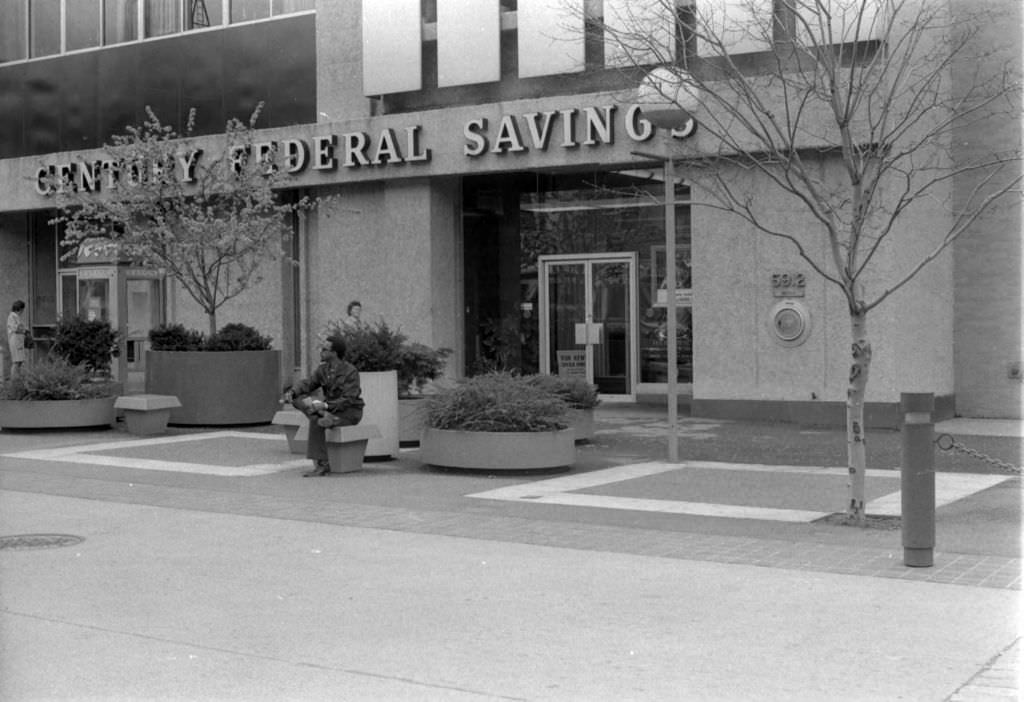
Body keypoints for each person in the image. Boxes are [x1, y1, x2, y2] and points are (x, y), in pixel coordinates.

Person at [284, 334, 365, 477]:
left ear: (334, 353)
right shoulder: (323, 369)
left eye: (324, 349)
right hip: (327, 410)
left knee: (316, 420)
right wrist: (292, 391)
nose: (321, 351)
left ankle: (322, 464)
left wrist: (325, 406)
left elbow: (348, 399)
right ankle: (325, 417)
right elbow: (308, 383)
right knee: (298, 399)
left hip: (348, 412)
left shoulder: (350, 371)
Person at [6, 300, 28, 380]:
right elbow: (16, 328)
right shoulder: (12, 316)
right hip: (15, 341)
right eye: (22, 309)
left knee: (19, 361)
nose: (23, 311)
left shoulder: (16, 316)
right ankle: (14, 380)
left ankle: (17, 378)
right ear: (20, 308)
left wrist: (24, 329)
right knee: (16, 362)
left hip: (18, 341)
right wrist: (24, 330)